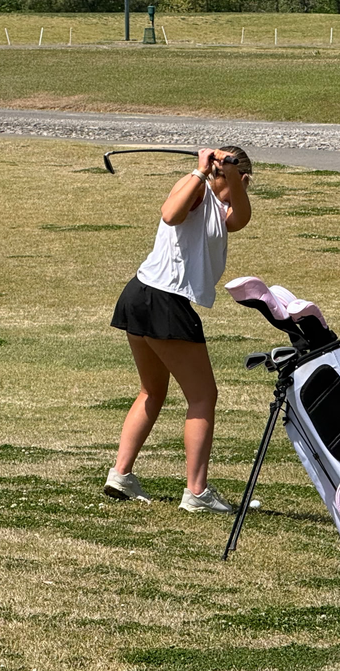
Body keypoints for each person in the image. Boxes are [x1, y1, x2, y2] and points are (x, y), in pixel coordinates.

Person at [105, 146, 253, 513]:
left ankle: (121, 475)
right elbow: (171, 214)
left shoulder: (224, 209)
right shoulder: (196, 188)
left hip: (141, 295)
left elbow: (241, 219)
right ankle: (197, 492)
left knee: (152, 391)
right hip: (162, 301)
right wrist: (201, 171)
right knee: (203, 397)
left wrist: (230, 176)